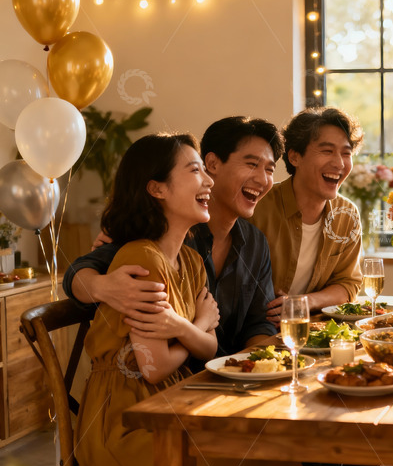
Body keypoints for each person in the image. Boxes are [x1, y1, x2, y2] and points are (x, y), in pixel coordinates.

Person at [74, 133, 313, 466]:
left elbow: (209, 347)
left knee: (280, 448)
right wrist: (196, 325)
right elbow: (154, 367)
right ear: (157, 189)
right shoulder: (141, 258)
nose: (209, 182)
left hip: (175, 404)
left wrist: (187, 329)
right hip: (128, 425)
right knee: (270, 461)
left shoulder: (189, 260)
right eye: (196, 171)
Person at [64, 116, 282, 361]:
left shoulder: (255, 242)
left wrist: (255, 366)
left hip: (226, 380)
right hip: (174, 384)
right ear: (213, 163)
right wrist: (104, 287)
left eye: (270, 170)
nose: (263, 180)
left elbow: (258, 323)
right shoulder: (162, 234)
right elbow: (81, 270)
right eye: (252, 164)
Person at [250, 106, 364, 323]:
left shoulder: (346, 214)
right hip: (258, 332)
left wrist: (304, 302)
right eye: (327, 151)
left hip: (312, 331)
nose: (339, 163)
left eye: (346, 153)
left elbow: (348, 284)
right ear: (294, 157)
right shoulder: (257, 207)